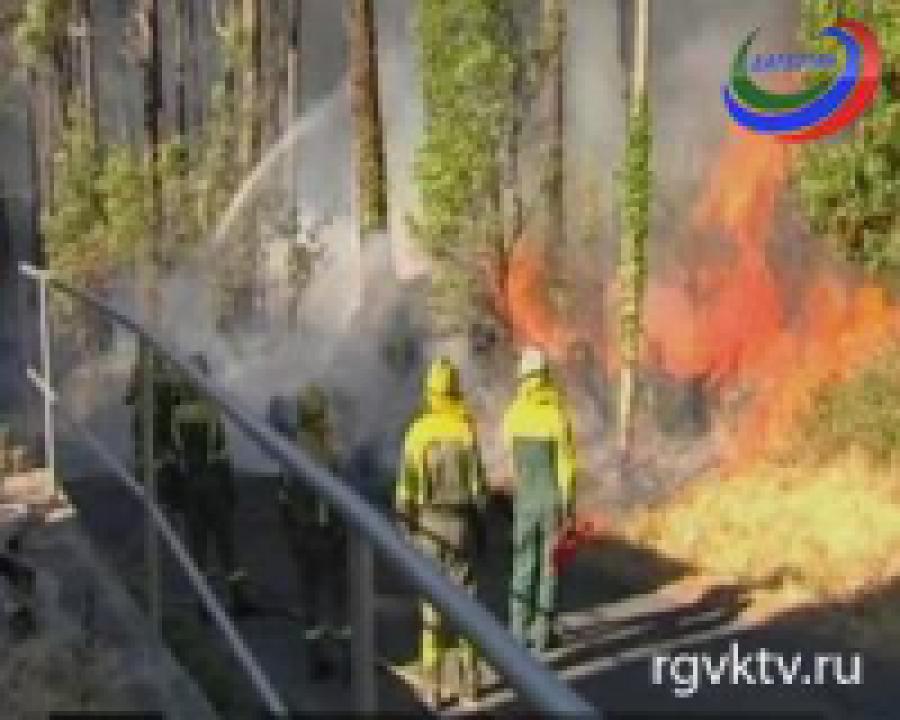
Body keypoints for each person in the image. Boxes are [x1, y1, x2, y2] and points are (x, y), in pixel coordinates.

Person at [396, 357, 486, 709]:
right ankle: (470, 685)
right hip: (461, 525)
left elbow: (405, 490)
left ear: (430, 392)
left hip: (428, 527)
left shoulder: (417, 432)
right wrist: (480, 529)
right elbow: (479, 490)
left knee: (432, 607)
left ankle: (431, 688)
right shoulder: (465, 430)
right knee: (468, 606)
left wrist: (405, 529)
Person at [272, 384, 350, 682]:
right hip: (328, 533)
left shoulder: (291, 447)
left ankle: (315, 658)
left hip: (301, 532)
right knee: (339, 595)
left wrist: (290, 528)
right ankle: (347, 657)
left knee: (310, 594)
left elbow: (282, 495)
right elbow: (339, 496)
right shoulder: (330, 449)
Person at [502, 346, 577, 652]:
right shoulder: (557, 415)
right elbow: (567, 469)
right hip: (552, 502)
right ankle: (542, 633)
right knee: (550, 568)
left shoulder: (512, 415)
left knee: (523, 565)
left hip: (526, 501)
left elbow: (511, 463)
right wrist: (569, 506)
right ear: (546, 376)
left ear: (522, 377)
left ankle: (516, 631)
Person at [171, 354, 250, 617]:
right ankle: (238, 599)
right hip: (213, 481)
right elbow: (221, 452)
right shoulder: (211, 410)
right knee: (225, 542)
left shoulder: (177, 413)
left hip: (190, 483)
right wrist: (230, 487)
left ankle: (202, 605)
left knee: (198, 546)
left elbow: (177, 451)